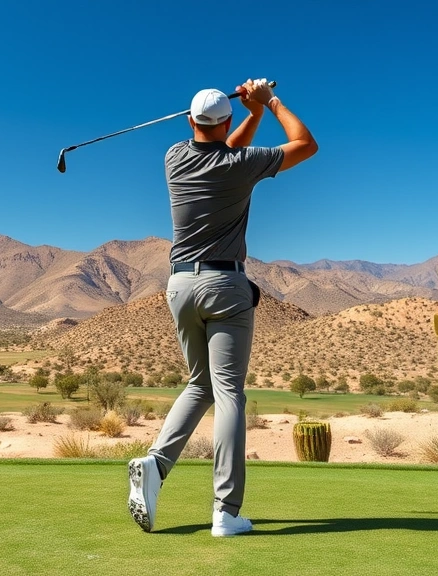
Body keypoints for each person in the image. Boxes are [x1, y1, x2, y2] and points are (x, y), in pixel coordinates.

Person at [128, 78, 318, 537]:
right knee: (229, 392)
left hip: (179, 286)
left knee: (200, 385)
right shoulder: (243, 164)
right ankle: (226, 513)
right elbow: (305, 144)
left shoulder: (174, 157)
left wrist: (248, 113)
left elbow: (222, 148)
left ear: (191, 122)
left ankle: (155, 464)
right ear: (227, 120)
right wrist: (267, 102)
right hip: (224, 285)